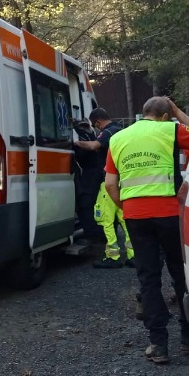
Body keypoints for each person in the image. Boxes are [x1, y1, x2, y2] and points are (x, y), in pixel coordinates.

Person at [104, 96, 189, 364]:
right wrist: (178, 113)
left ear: (143, 112)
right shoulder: (169, 129)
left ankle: (158, 345)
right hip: (169, 214)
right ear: (164, 115)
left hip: (136, 216)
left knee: (148, 278)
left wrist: (126, 208)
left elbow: (110, 184)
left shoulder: (118, 138)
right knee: (180, 274)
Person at [74, 108, 131, 263]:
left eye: (95, 125)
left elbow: (94, 146)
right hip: (120, 179)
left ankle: (112, 257)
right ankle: (133, 256)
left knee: (105, 217)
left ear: (98, 122)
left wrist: (76, 143)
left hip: (110, 179)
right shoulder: (120, 130)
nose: (96, 128)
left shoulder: (110, 131)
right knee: (122, 218)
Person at [71, 118, 104, 243]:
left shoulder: (79, 134)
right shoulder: (94, 133)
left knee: (85, 202)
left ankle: (93, 233)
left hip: (91, 172)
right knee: (92, 202)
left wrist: (77, 143)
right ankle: (97, 232)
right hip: (97, 171)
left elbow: (83, 153)